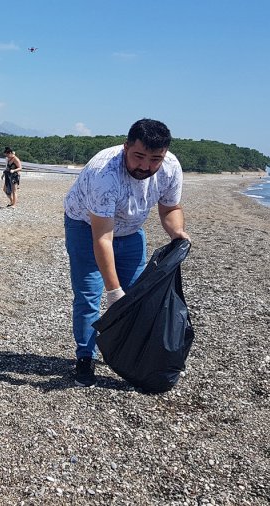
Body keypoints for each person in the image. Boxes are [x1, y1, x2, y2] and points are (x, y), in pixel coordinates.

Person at [63, 118, 190, 387]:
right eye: (139, 156)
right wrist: (113, 291)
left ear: (164, 155)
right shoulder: (105, 174)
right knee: (89, 293)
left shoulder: (170, 168)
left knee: (135, 296)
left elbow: (169, 209)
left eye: (155, 159)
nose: (145, 166)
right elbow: (102, 238)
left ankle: (125, 355)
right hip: (86, 226)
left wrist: (177, 233)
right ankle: (85, 357)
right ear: (125, 148)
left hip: (131, 230)